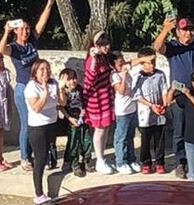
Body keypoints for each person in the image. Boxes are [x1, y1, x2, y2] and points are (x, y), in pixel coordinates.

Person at [152, 0, 194, 179]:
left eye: (190, 29)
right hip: (179, 96)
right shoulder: (173, 47)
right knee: (179, 130)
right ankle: (181, 163)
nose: (188, 33)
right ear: (177, 32)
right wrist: (165, 29)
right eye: (184, 30)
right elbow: (157, 47)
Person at [0, 0, 55, 170]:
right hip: (23, 88)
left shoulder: (32, 43)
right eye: (21, 29)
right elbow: (1, 50)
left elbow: (41, 24)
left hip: (39, 86)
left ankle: (39, 153)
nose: (25, 31)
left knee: (39, 121)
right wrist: (6, 32)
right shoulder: (14, 47)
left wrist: (49, 3)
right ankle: (24, 157)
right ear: (15, 31)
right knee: (26, 122)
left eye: (27, 29)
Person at [24, 60, 60, 204]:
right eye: (41, 69)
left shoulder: (54, 83)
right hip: (37, 127)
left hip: (51, 123)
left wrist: (60, 90)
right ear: (35, 72)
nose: (45, 72)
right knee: (39, 159)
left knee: (47, 154)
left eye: (47, 69)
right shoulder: (31, 87)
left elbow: (61, 102)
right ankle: (38, 193)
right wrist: (45, 92)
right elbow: (37, 108)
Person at [82, 32, 116, 174]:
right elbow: (89, 81)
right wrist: (94, 58)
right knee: (100, 129)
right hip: (96, 101)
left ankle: (102, 158)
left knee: (105, 129)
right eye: (102, 44)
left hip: (106, 98)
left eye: (107, 43)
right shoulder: (92, 60)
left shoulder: (105, 58)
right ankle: (100, 160)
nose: (106, 47)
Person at [131, 47, 169, 173]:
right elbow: (137, 95)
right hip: (145, 113)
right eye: (149, 62)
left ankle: (159, 162)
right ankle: (145, 162)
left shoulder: (160, 74)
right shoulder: (138, 77)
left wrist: (164, 104)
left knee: (160, 138)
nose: (152, 65)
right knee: (145, 139)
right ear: (142, 63)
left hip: (159, 112)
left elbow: (164, 89)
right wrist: (151, 105)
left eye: (154, 61)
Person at [58, 68, 92, 177]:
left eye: (74, 78)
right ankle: (74, 163)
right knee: (74, 143)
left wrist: (83, 113)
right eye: (69, 79)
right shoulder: (63, 92)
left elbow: (85, 103)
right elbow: (61, 107)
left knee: (86, 140)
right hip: (71, 121)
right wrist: (69, 118)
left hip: (82, 118)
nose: (72, 81)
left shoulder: (80, 90)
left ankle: (86, 160)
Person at [110, 52, 139, 174]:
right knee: (121, 137)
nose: (123, 65)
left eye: (123, 62)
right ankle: (120, 162)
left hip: (132, 109)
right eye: (119, 63)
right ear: (114, 65)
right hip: (122, 111)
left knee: (130, 136)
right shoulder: (114, 75)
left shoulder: (126, 68)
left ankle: (131, 159)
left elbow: (135, 62)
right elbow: (121, 91)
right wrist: (124, 75)